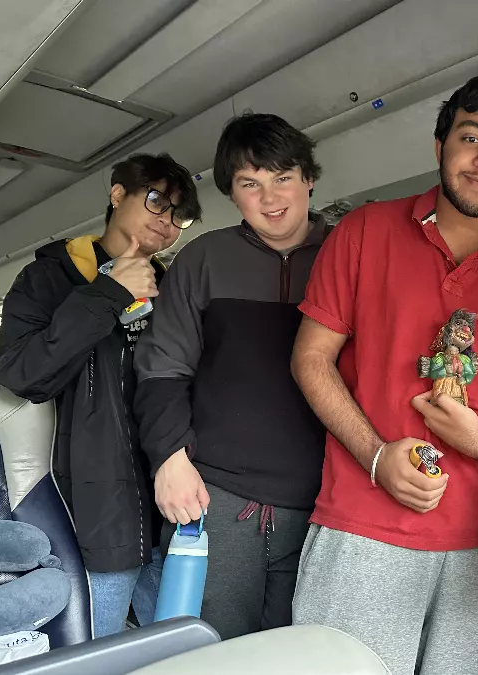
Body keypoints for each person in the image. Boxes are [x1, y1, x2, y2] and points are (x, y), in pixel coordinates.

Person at [289, 66, 478, 675]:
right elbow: (311, 358)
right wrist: (377, 458)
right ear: (440, 146)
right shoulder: (363, 231)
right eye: (471, 136)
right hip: (363, 523)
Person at [133, 113, 329, 639]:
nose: (271, 198)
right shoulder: (203, 259)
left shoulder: (347, 255)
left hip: (327, 501)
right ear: (231, 192)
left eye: (283, 177)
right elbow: (162, 368)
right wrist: (169, 458)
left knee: (303, 653)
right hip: (216, 496)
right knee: (211, 650)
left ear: (309, 178)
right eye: (250, 183)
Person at [0, 153, 202, 637]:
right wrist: (109, 292)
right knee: (97, 647)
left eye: (179, 215)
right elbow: (23, 374)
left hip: (172, 498)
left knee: (181, 647)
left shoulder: (171, 287)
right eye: (157, 201)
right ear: (117, 194)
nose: (167, 221)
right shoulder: (47, 279)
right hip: (95, 510)